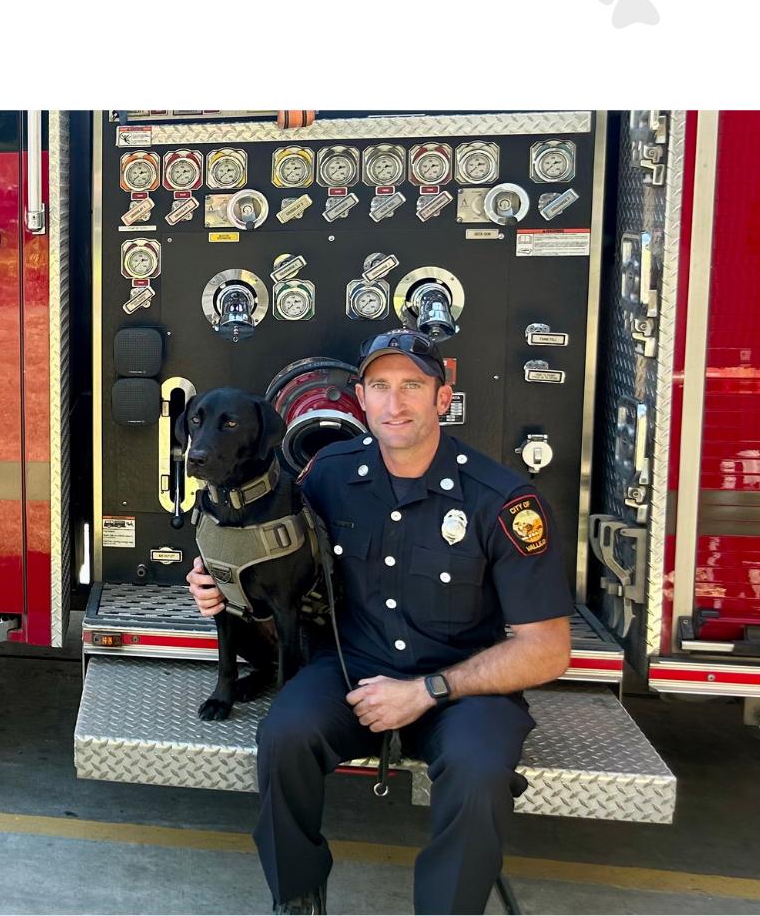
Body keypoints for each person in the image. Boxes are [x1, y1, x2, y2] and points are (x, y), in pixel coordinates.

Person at [186, 329, 572, 915]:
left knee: (477, 771)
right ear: (361, 399)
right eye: (380, 387)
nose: (395, 403)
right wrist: (215, 579)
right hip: (351, 666)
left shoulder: (501, 500)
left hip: (462, 685)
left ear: (443, 398)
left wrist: (425, 691)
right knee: (284, 735)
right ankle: (297, 897)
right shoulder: (329, 474)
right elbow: (261, 543)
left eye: (412, 386)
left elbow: (547, 649)